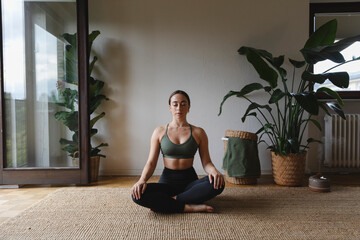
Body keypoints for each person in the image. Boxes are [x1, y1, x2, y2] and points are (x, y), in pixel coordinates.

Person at [131, 90, 225, 213]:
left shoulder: (199, 132)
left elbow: (206, 162)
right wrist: (141, 180)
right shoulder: (159, 132)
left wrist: (215, 172)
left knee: (219, 183)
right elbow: (151, 163)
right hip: (167, 183)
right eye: (175, 104)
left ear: (189, 107)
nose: (179, 108)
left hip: (190, 183)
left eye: (183, 104)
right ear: (170, 107)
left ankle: (168, 202)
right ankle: (188, 206)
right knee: (136, 194)